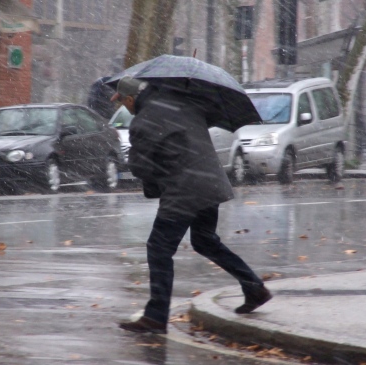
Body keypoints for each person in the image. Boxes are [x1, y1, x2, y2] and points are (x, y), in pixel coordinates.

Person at [112, 75, 272, 334]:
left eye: (123, 102)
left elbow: (142, 167)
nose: (124, 107)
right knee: (205, 241)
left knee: (159, 247)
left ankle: (155, 315)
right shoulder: (185, 104)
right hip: (209, 183)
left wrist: (143, 169)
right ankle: (254, 287)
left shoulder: (144, 120)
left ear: (131, 99)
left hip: (184, 190)